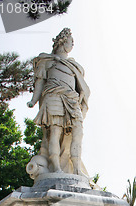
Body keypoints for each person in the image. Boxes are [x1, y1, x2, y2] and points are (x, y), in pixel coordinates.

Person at [27, 28, 90, 176]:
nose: (72, 44)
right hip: (53, 96)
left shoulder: (74, 65)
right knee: (55, 131)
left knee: (78, 132)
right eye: (70, 41)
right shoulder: (47, 61)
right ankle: (55, 167)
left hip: (71, 100)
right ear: (62, 42)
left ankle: (76, 168)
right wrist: (33, 100)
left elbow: (82, 88)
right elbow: (40, 83)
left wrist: (82, 95)